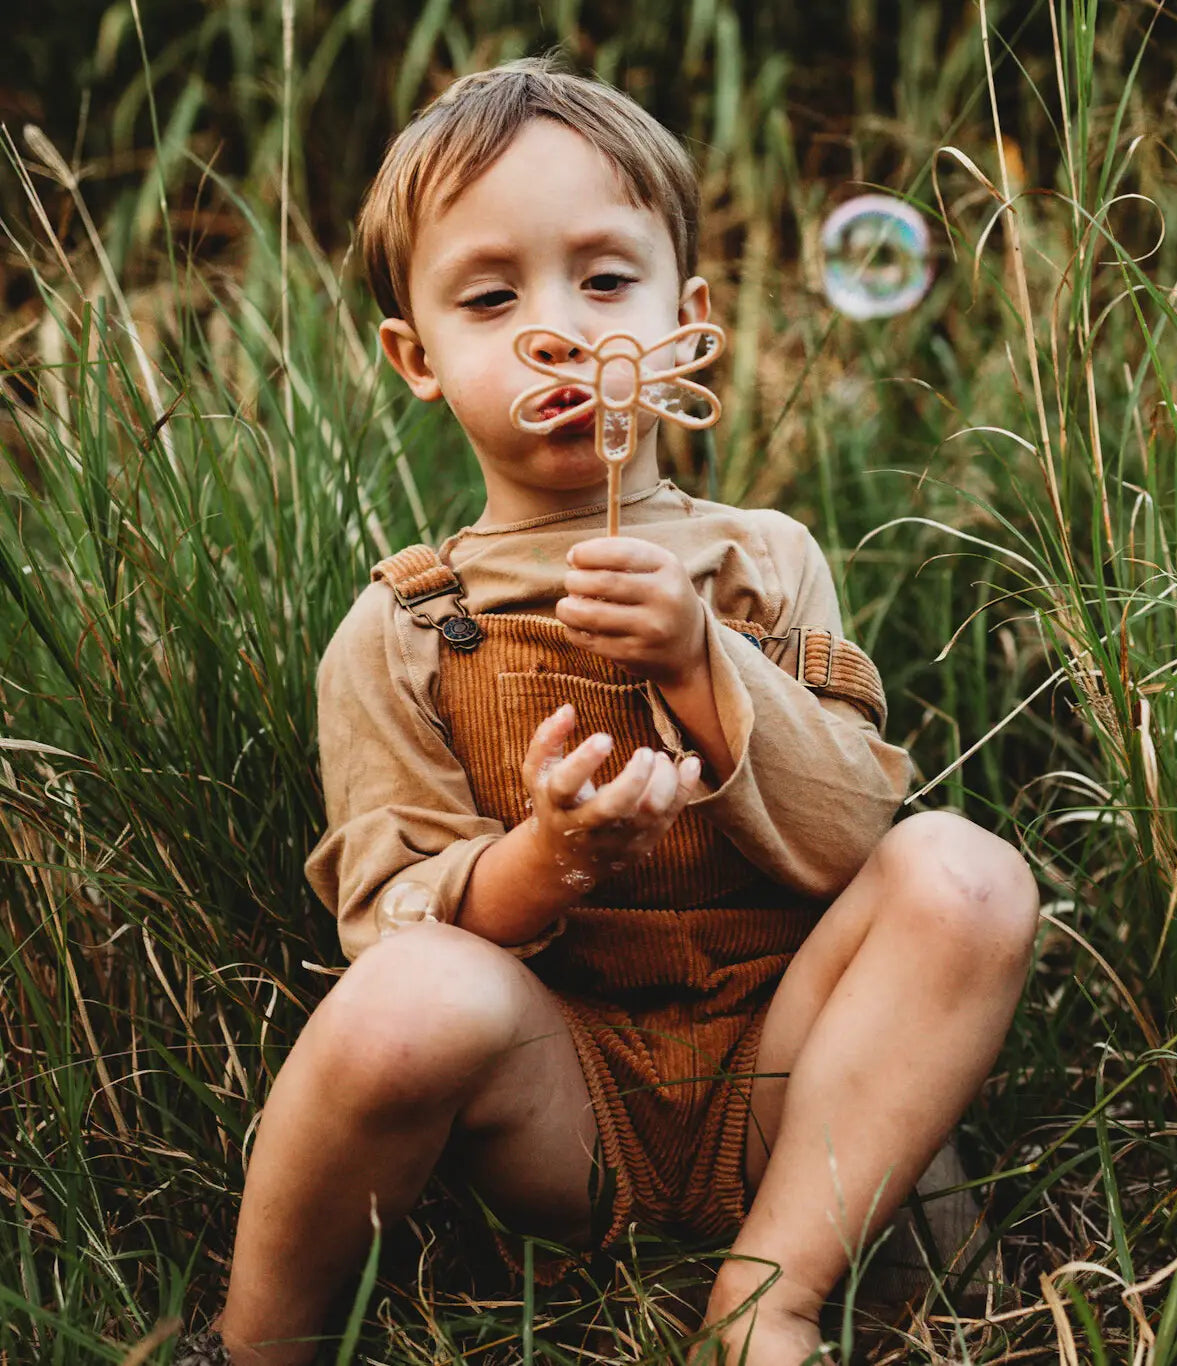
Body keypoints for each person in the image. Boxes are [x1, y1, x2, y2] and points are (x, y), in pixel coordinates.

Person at [171, 54, 1039, 1366]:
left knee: (965, 876)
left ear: (688, 314)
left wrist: (704, 660)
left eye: (607, 279)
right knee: (416, 997)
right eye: (492, 295)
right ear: (416, 354)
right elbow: (388, 926)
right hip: (559, 1106)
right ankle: (257, 1344)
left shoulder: (763, 560)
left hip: (790, 1077)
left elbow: (852, 828)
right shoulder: (404, 622)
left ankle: (765, 1299)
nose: (567, 329)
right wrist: (548, 855)